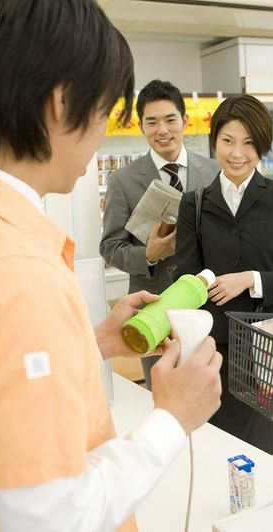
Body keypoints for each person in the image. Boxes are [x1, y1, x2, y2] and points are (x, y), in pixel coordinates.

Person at [0, 2, 222, 531]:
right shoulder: (14, 268)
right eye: (104, 111)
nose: (100, 135)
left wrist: (97, 341)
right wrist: (172, 420)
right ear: (61, 103)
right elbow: (52, 516)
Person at [175, 95, 273, 455]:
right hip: (218, 349)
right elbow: (185, 280)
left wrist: (251, 279)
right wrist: (200, 287)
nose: (237, 153)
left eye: (249, 143)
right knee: (223, 452)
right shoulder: (194, 203)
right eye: (227, 141)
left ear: (263, 146)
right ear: (215, 142)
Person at [100, 79, 220, 388]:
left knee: (213, 398)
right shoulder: (122, 181)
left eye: (170, 119)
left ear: (185, 121)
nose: (162, 129)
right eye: (151, 122)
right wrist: (149, 255)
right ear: (141, 127)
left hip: (209, 304)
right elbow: (110, 247)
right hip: (154, 312)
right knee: (163, 397)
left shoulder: (213, 172)